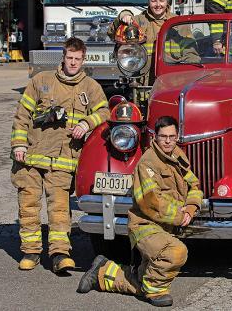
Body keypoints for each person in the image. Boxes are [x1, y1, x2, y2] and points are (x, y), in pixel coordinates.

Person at [77, 116, 203, 307]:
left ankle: (103, 272)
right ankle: (154, 290)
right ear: (155, 136)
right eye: (163, 137)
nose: (168, 141)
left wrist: (192, 206)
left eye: (172, 136)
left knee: (144, 273)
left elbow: (194, 184)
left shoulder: (177, 155)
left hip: (166, 226)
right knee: (175, 252)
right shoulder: (148, 163)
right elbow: (151, 202)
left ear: (177, 137)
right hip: (146, 226)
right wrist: (181, 215)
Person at [11, 37, 109, 272]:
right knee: (29, 205)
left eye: (77, 59)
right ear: (62, 58)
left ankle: (59, 254)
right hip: (31, 157)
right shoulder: (41, 81)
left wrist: (87, 124)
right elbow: (22, 115)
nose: (73, 62)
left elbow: (104, 111)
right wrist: (19, 145)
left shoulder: (90, 87)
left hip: (63, 160)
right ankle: (31, 252)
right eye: (69, 58)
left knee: (59, 209)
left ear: (83, 60)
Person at [108, 0, 200, 85]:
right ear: (148, 1)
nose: (157, 5)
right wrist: (123, 15)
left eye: (161, 1)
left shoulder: (178, 23)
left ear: (167, 1)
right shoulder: (138, 21)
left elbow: (191, 53)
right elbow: (112, 33)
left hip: (173, 81)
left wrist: (188, 77)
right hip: (143, 82)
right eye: (153, 1)